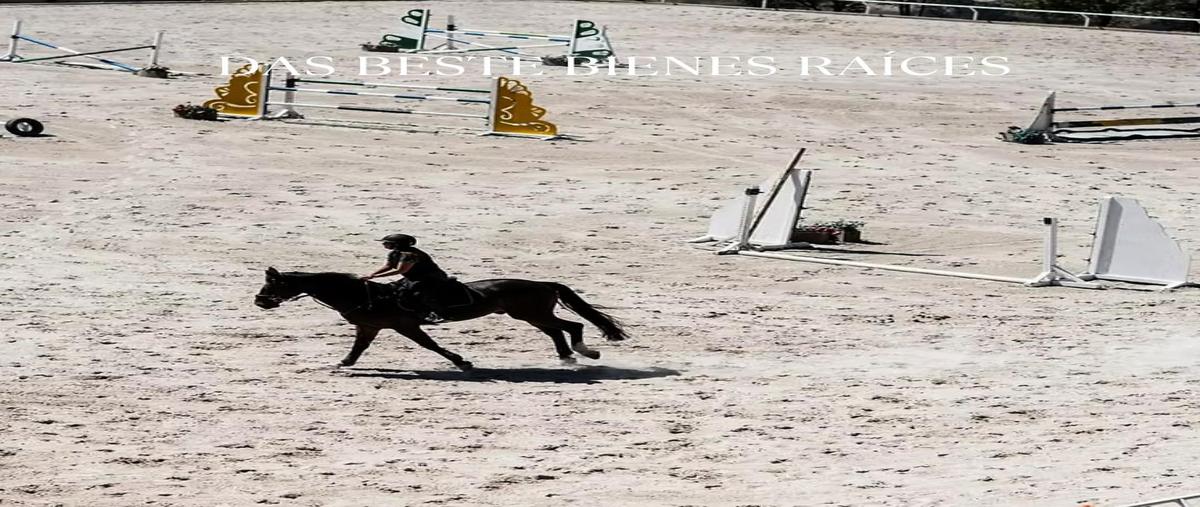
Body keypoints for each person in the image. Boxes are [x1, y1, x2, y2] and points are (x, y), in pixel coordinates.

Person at [361, 233, 453, 323]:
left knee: (418, 293)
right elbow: (388, 266)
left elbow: (401, 270)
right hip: (413, 277)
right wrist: (372, 274)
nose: (384, 244)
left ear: (396, 244)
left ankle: (435, 314)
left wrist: (376, 276)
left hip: (429, 277)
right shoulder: (394, 253)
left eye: (387, 243)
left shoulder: (409, 255)